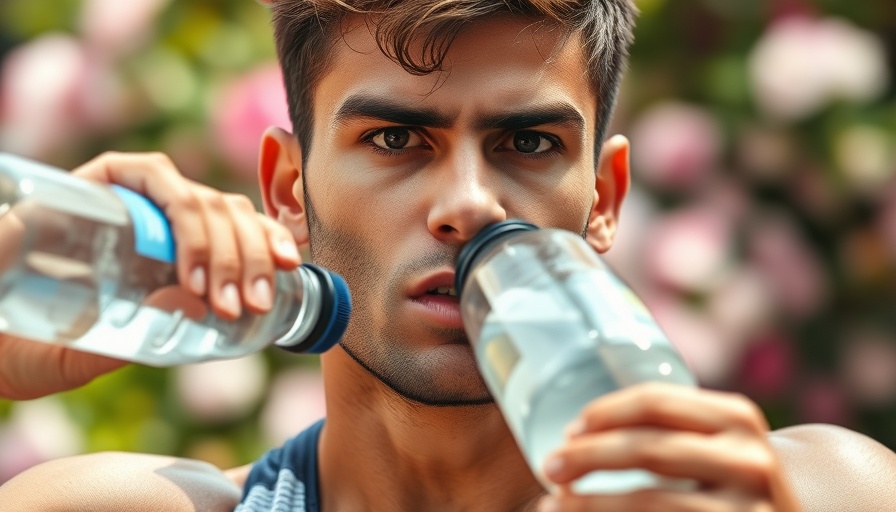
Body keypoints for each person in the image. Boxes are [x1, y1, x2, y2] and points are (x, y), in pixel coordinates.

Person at [2, 1, 896, 510]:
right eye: (395, 139)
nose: (469, 202)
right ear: (285, 191)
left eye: (531, 144)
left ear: (606, 200)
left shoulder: (818, 493)